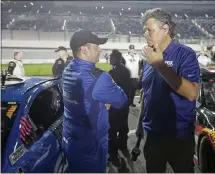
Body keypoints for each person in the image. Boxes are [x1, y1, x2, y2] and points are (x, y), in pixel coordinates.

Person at [136, 8, 200, 173]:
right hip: (152, 134)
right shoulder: (149, 57)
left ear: (165, 29)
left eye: (150, 30)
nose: (146, 34)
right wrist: (140, 125)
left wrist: (160, 65)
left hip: (178, 135)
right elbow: (148, 94)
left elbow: (192, 93)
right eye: (145, 30)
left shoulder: (184, 54)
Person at [61, 30, 128, 173]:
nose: (100, 49)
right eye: (96, 46)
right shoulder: (100, 78)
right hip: (91, 146)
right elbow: (122, 100)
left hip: (70, 139)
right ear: (84, 49)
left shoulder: (67, 70)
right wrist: (111, 82)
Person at [108, 49, 131, 166]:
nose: (109, 59)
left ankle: (113, 153)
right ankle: (123, 145)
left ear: (117, 58)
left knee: (112, 129)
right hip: (124, 103)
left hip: (115, 105)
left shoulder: (115, 72)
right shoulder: (125, 70)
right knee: (123, 126)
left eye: (111, 57)